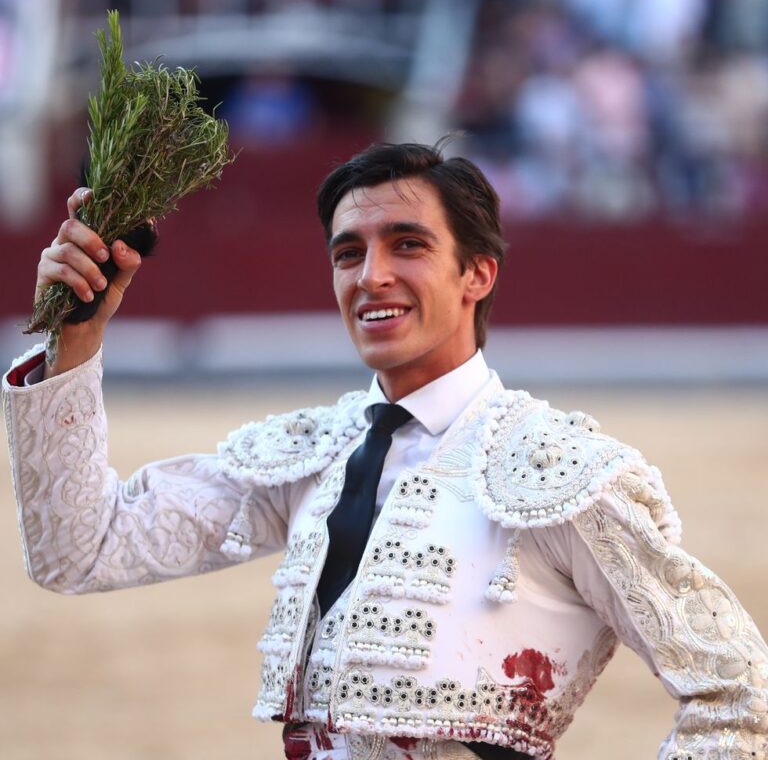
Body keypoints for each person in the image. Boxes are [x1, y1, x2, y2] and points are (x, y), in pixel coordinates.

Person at [3, 141, 767, 760]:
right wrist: (77, 338)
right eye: (348, 253)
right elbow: (81, 549)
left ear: (477, 273)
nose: (372, 276)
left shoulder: (556, 472)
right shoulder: (310, 454)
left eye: (407, 245)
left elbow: (737, 694)